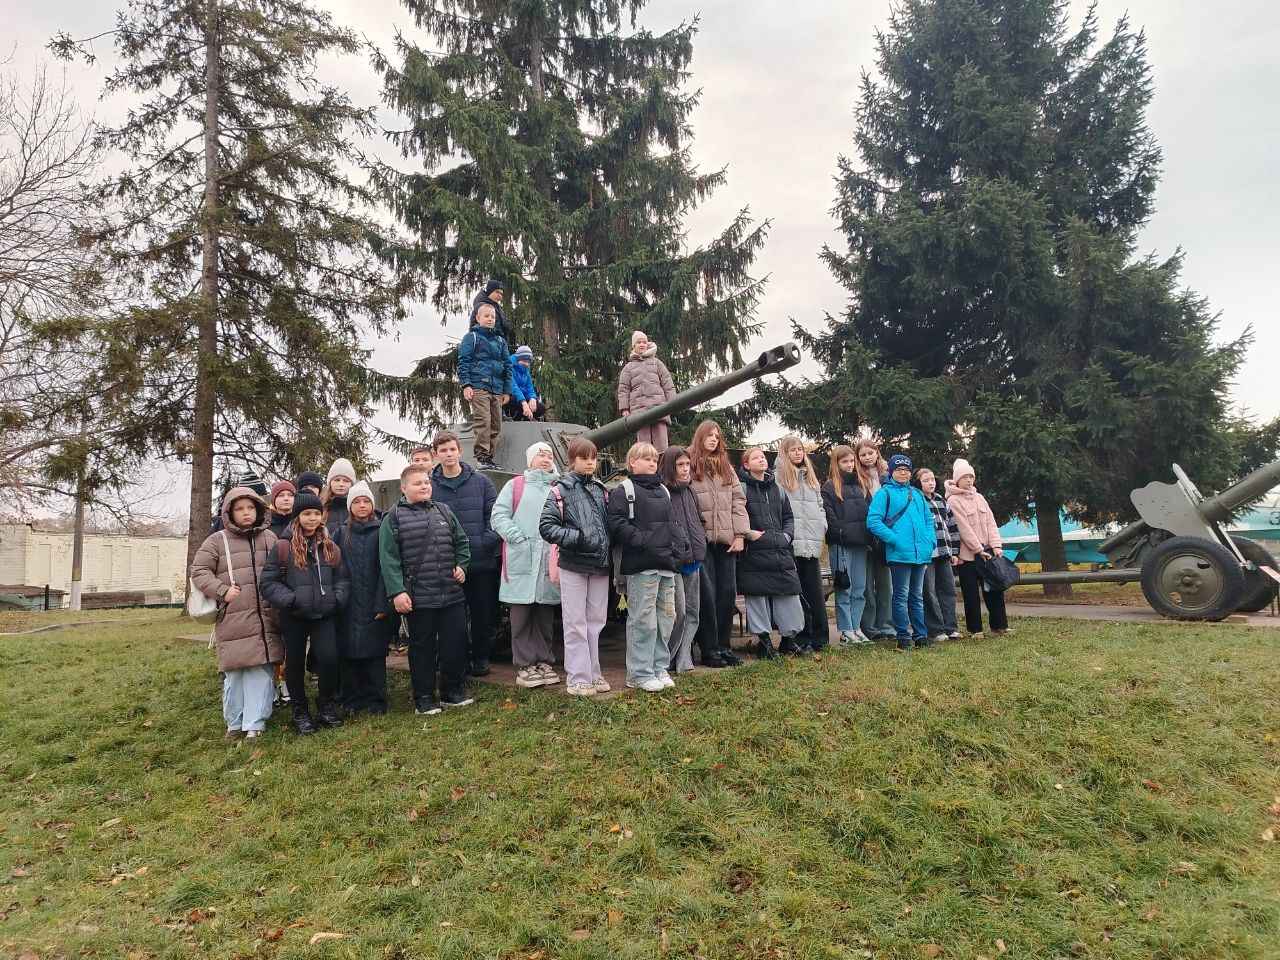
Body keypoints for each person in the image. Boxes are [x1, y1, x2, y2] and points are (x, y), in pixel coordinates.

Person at [379, 463, 474, 714]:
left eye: (426, 482)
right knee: (422, 649)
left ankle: (452, 692)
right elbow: (388, 559)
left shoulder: (444, 511)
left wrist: (462, 566)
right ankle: (424, 699)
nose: (424, 487)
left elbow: (462, 542)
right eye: (417, 483)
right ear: (404, 488)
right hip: (419, 597)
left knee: (455, 644)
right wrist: (397, 592)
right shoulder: (393, 518)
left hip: (451, 594)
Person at [189, 487, 282, 741]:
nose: (246, 513)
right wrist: (222, 591)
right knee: (235, 673)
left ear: (259, 509)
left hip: (264, 618)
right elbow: (199, 571)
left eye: (250, 508)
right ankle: (235, 722)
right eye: (240, 509)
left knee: (260, 672)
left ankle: (255, 723)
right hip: (233, 618)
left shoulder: (269, 538)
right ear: (229, 512)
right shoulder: (216, 541)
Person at [260, 491, 351, 734]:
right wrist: (291, 600)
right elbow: (268, 583)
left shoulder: (330, 546)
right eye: (307, 514)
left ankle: (326, 705)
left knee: (329, 659)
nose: (312, 518)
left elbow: (342, 578)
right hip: (294, 616)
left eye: (316, 513)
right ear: (297, 516)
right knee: (295, 665)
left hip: (324, 614)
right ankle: (300, 711)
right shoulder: (283, 546)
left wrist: (336, 599)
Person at [539, 437, 612, 697]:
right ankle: (578, 677)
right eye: (584, 457)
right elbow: (546, 526)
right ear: (572, 460)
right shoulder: (560, 490)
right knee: (575, 622)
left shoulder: (601, 490)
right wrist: (577, 538)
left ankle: (593, 672)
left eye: (593, 457)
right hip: (574, 563)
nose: (590, 462)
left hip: (600, 565)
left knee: (596, 622)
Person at [491, 442, 562, 690]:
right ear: (530, 460)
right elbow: (499, 516)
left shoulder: (558, 488)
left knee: (544, 615)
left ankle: (544, 661)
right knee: (521, 616)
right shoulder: (516, 485)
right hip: (521, 556)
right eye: (540, 455)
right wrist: (516, 538)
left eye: (549, 455)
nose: (545, 459)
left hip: (547, 558)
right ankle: (524, 664)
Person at [608, 442, 678, 692]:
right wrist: (642, 540)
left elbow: (671, 523)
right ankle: (639, 673)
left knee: (666, 618)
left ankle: (659, 667)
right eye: (645, 458)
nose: (651, 463)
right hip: (641, 565)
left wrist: (676, 546)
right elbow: (616, 522)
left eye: (654, 459)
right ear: (632, 463)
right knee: (643, 620)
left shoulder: (663, 490)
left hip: (666, 564)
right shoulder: (624, 490)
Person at [431, 431, 501, 677]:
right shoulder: (431, 486)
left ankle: (481, 657)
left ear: (460, 451)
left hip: (480, 560)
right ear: (436, 454)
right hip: (445, 564)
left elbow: (495, 516)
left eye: (452, 449)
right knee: (450, 617)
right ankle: (455, 659)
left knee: (482, 613)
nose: (448, 454)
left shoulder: (482, 482)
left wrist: (483, 542)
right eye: (443, 450)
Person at [688, 420, 747, 668]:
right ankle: (709, 649)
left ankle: (724, 646)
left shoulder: (726, 467)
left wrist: (740, 535)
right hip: (701, 542)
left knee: (727, 593)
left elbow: (738, 501)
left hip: (726, 541)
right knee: (707, 596)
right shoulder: (690, 464)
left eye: (717, 436)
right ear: (700, 437)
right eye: (709, 435)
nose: (714, 439)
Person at [738, 447, 807, 658]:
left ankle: (788, 641)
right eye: (755, 457)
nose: (761, 459)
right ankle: (764, 643)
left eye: (763, 456)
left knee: (789, 595)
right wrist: (748, 534)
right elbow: (737, 515)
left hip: (780, 551)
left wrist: (787, 536)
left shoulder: (778, 488)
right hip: (754, 553)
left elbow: (788, 517)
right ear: (746, 465)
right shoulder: (741, 488)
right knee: (757, 597)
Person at [334, 481, 393, 716]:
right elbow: (334, 567)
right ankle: (352, 699)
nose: (361, 505)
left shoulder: (381, 530)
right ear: (350, 506)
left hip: (374, 601)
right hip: (347, 604)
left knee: (375, 655)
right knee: (349, 653)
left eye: (366, 501)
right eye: (357, 501)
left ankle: (376, 699)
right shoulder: (341, 533)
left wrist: (382, 602)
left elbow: (386, 568)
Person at [867, 454, 936, 651]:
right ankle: (903, 636)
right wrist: (894, 540)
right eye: (899, 469)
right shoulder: (884, 493)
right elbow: (873, 521)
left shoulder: (917, 494)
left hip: (920, 553)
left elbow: (928, 520)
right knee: (901, 596)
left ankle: (920, 635)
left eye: (906, 470)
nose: (903, 473)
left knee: (917, 596)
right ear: (891, 472)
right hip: (899, 554)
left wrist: (930, 541)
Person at [945, 458, 1010, 638]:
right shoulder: (953, 500)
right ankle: (975, 629)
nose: (969, 480)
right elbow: (963, 528)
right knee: (971, 594)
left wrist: (996, 545)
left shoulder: (980, 497)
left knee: (994, 589)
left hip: (987, 552)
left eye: (971, 477)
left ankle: (1000, 626)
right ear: (957, 479)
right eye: (964, 477)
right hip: (968, 556)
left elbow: (991, 522)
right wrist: (978, 549)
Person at [776, 436, 829, 651]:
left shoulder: (811, 478)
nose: (798, 453)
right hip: (793, 543)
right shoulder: (780, 478)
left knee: (814, 591)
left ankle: (820, 637)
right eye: (793, 450)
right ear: (785, 453)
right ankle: (801, 637)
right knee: (798, 594)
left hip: (812, 543)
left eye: (800, 449)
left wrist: (822, 525)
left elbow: (820, 505)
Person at [660, 445, 706, 674]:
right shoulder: (663, 493)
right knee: (677, 613)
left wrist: (701, 541)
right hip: (675, 562)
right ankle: (668, 657)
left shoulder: (690, 491)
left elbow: (698, 520)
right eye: (680, 465)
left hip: (694, 560)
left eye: (687, 464)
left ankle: (684, 655)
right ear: (670, 467)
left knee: (692, 612)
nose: (685, 468)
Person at [823, 445, 873, 646]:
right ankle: (845, 630)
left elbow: (871, 512)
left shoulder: (862, 484)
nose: (850, 465)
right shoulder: (829, 487)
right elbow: (829, 516)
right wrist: (841, 533)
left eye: (852, 461)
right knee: (844, 587)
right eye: (845, 461)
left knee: (859, 588)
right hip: (841, 545)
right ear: (836, 463)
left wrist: (869, 536)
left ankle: (856, 627)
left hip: (861, 543)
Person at [457, 302, 513, 469]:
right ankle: (481, 457)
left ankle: (489, 458)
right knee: (483, 422)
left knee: (496, 425)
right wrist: (466, 385)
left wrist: (507, 391)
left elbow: (507, 366)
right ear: (478, 318)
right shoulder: (471, 337)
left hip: (497, 389)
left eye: (493, 317)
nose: (490, 319)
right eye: (486, 316)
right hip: (478, 385)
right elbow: (464, 362)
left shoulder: (500, 341)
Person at [856, 439, 896, 640]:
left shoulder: (887, 476)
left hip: (885, 535)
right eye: (863, 455)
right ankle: (870, 628)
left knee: (885, 585)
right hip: (865, 535)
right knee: (866, 587)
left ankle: (886, 625)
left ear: (877, 453)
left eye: (870, 453)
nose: (867, 457)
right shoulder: (856, 478)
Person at [915, 467, 961, 641]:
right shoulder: (917, 500)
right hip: (927, 554)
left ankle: (951, 627)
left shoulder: (941, 499)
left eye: (932, 479)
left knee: (948, 590)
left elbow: (952, 526)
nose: (930, 483)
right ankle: (935, 629)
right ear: (918, 483)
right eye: (926, 480)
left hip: (944, 552)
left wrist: (954, 551)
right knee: (929, 591)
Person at [616, 330, 677, 451]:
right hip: (639, 411)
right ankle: (645, 462)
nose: (642, 344)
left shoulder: (657, 363)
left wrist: (673, 402)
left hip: (659, 408)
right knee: (644, 446)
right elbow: (623, 389)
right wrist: (625, 409)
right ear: (634, 346)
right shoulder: (628, 368)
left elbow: (667, 383)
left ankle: (662, 462)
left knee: (662, 445)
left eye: (644, 342)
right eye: (639, 342)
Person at [506, 345, 547, 422]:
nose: (527, 364)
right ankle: (515, 417)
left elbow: (530, 387)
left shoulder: (526, 371)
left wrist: (532, 398)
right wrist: (524, 402)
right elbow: (513, 387)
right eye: (524, 361)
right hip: (512, 396)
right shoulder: (509, 367)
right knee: (513, 400)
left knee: (540, 408)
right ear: (518, 359)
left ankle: (526, 418)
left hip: (523, 398)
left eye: (528, 361)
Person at [322, 458, 356, 533]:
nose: (341, 484)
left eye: (346, 481)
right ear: (330, 483)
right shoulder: (321, 509)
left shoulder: (358, 508)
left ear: (351, 484)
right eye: (337, 480)